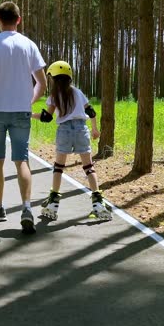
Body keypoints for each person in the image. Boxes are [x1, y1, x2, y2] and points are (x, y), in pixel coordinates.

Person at [0, 1, 47, 234]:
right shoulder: (29, 45)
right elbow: (42, 83)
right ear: (19, 19)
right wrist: (30, 100)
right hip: (21, 111)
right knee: (22, 161)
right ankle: (27, 208)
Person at [32, 61, 112, 221]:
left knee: (59, 168)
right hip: (82, 129)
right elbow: (91, 111)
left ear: (54, 78)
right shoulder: (77, 92)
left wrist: (29, 114)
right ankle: (98, 205)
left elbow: (47, 117)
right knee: (89, 167)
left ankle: (53, 206)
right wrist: (95, 129)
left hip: (65, 131)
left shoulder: (54, 95)